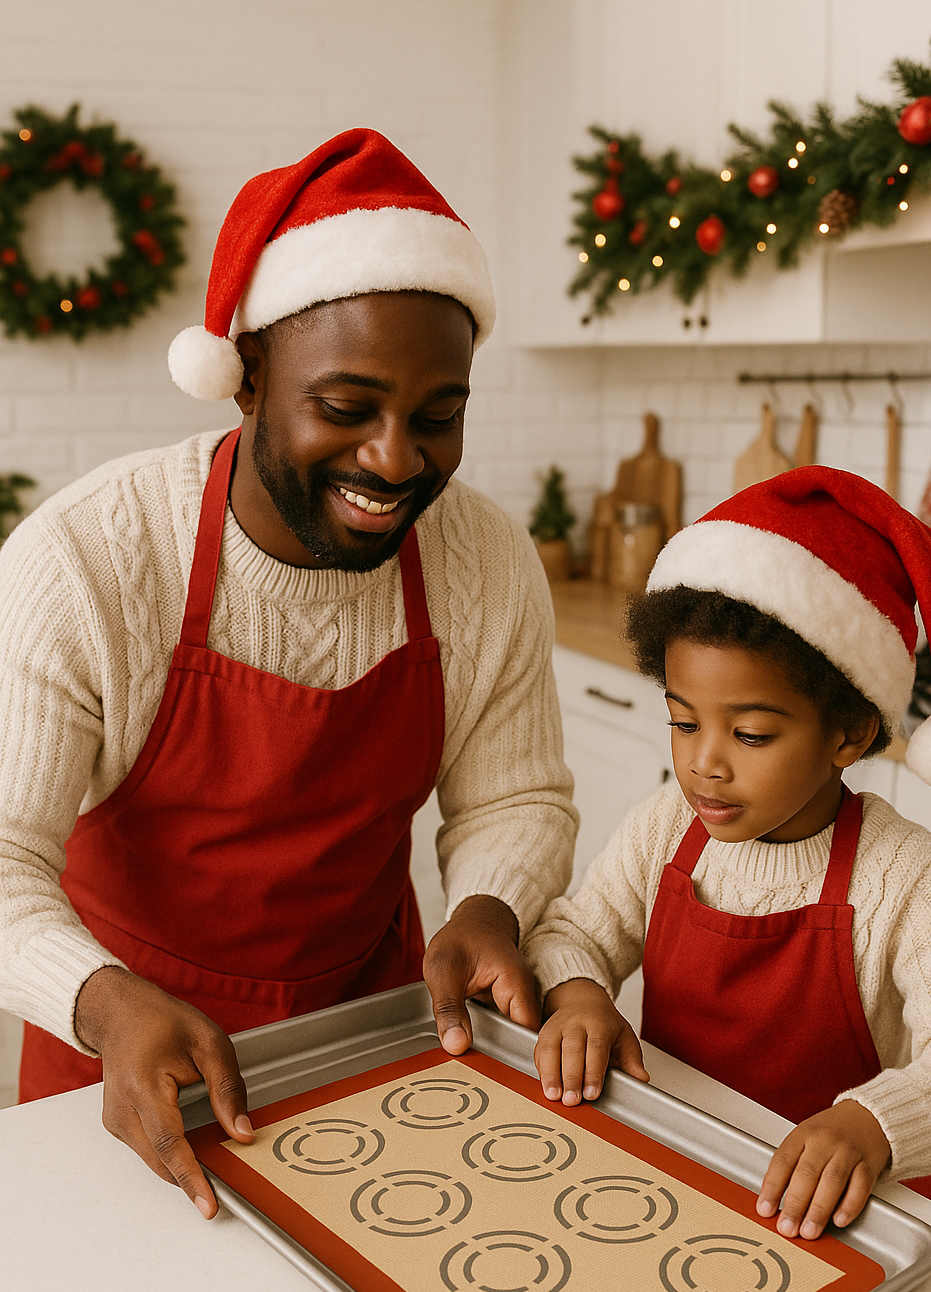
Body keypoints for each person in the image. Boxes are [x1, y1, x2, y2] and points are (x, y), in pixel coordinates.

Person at [0, 129, 576, 1217]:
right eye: (347, 409)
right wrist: (102, 1003)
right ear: (247, 376)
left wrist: (491, 904)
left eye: (439, 416)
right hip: (126, 1057)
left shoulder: (481, 559)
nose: (398, 460)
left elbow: (516, 795)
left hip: (375, 1039)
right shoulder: (92, 558)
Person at [523, 466, 931, 1241]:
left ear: (849, 735)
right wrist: (580, 995)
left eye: (751, 734)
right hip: (682, 1174)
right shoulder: (666, 827)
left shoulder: (904, 874)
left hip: (845, 1220)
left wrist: (871, 1126)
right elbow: (575, 932)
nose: (704, 764)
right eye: (683, 722)